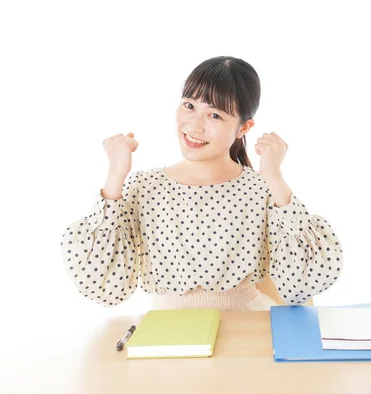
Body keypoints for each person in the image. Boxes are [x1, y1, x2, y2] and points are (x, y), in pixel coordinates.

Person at [60, 56, 343, 311]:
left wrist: (274, 177)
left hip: (248, 334)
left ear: (243, 128)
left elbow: (305, 282)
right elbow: (100, 284)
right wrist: (115, 175)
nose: (194, 126)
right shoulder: (145, 186)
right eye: (189, 106)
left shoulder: (260, 188)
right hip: (169, 339)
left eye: (215, 115)